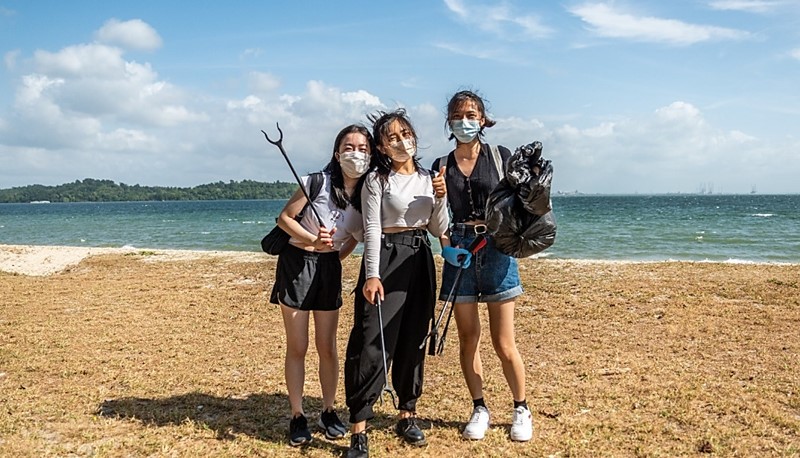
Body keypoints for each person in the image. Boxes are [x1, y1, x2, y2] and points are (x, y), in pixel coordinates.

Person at [344, 109, 449, 457]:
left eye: (406, 133)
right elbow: (372, 228)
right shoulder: (376, 180)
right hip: (386, 257)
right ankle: (359, 426)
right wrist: (371, 273)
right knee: (372, 338)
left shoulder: (428, 176)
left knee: (414, 335)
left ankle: (407, 412)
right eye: (393, 137)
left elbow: (437, 227)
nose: (403, 141)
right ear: (382, 147)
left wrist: (442, 196)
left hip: (419, 256)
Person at [431, 90, 533, 442]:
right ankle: (479, 407)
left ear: (483, 119)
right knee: (468, 339)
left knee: (504, 342)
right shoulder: (440, 165)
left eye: (472, 114)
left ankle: (521, 407)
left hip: (497, 248)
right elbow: (438, 217)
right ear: (449, 121)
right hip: (459, 247)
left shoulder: (500, 156)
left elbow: (522, 201)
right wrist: (445, 248)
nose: (465, 121)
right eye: (458, 115)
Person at [270, 124, 374, 446]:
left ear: (370, 155)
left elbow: (355, 238)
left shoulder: (366, 196)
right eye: (348, 146)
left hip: (328, 269)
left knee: (327, 347)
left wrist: (334, 255)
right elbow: (284, 218)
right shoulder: (317, 181)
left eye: (362, 148)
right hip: (297, 264)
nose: (355, 153)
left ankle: (329, 411)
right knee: (298, 346)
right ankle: (297, 415)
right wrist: (312, 239)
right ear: (336, 152)